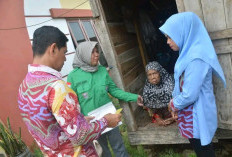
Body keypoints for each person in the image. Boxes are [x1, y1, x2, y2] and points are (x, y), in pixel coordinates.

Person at [18, 26, 121, 157]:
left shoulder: (24, 87)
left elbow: (50, 123)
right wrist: (106, 121)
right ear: (53, 49)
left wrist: (80, 119)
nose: (65, 59)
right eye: (64, 52)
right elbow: (79, 136)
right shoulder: (57, 87)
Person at [159, 12, 226, 157]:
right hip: (191, 114)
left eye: (170, 37)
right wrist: (175, 104)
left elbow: (190, 94)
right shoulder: (187, 54)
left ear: (182, 32)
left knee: (204, 151)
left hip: (197, 115)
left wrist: (173, 104)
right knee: (200, 149)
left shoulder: (196, 58)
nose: (167, 42)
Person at [67, 41, 143, 157]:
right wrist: (80, 120)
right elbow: (72, 103)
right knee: (102, 152)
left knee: (119, 148)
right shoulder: (73, 76)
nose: (96, 54)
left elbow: (114, 90)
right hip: (91, 122)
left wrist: (134, 97)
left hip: (110, 117)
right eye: (92, 52)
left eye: (97, 51)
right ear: (83, 54)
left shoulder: (102, 70)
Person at [143, 61, 174, 126]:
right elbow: (148, 107)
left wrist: (173, 118)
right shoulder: (147, 88)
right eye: (149, 75)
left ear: (160, 73)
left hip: (174, 115)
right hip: (159, 117)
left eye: (155, 73)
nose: (152, 77)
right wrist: (158, 118)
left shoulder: (170, 84)